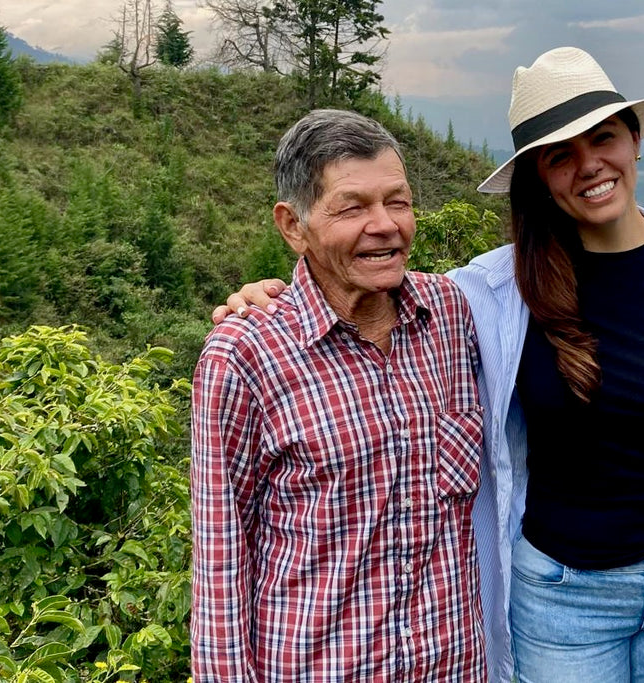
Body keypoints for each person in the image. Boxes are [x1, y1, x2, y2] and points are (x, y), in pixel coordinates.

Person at [216, 47, 644, 683]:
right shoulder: (489, 293)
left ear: (634, 141)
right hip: (559, 599)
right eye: (560, 155)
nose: (589, 166)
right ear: (539, 178)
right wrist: (267, 296)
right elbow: (365, 280)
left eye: (603, 138)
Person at [191, 109, 487, 682]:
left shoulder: (452, 314)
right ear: (293, 226)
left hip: (454, 666)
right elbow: (220, 558)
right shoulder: (244, 355)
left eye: (397, 202)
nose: (385, 225)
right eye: (352, 208)